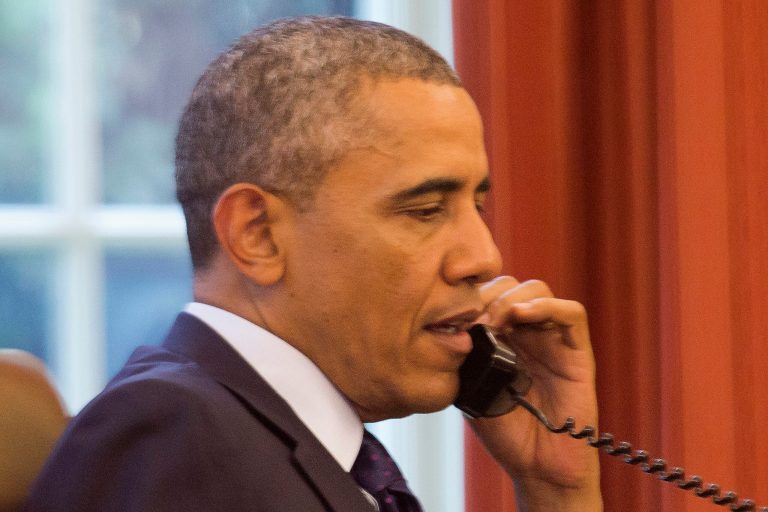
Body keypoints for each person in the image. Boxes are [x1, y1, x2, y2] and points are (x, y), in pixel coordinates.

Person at [25, 16, 602, 511]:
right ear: (258, 235)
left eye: (477, 206)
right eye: (425, 209)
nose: (484, 257)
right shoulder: (173, 436)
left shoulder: (285, 442)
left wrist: (557, 490)